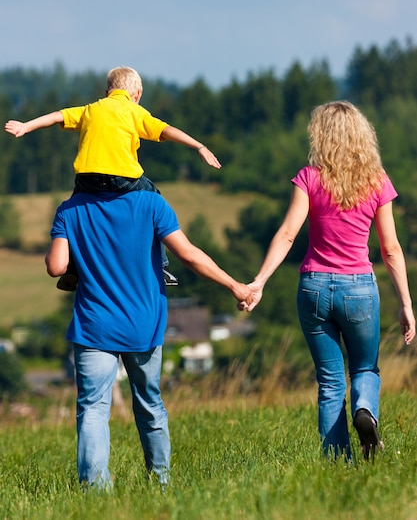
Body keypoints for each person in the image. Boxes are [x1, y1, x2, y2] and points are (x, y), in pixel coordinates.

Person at [241, 100, 416, 461]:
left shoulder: (309, 177)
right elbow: (392, 248)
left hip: (314, 288)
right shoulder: (376, 181)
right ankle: (364, 410)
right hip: (359, 290)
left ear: (320, 136)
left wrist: (259, 280)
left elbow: (288, 234)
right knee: (365, 367)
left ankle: (339, 463)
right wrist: (406, 303)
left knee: (330, 383)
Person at [45, 187, 252, 490]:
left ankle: (95, 491)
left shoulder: (69, 208)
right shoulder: (152, 203)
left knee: (92, 408)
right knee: (149, 403)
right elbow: (189, 255)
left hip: (95, 325)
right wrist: (235, 286)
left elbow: (56, 267)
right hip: (142, 323)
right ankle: (160, 483)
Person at [5, 66, 221, 289]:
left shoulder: (91, 109)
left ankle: (71, 268)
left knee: (75, 208)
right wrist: (199, 146)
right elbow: (166, 130)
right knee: (154, 197)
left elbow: (57, 115)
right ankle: (162, 264)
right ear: (136, 95)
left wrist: (26, 126)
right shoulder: (134, 111)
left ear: (108, 90)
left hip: (87, 179)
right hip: (123, 179)